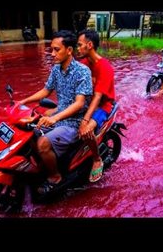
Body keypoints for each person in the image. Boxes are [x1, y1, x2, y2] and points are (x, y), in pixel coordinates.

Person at [19, 30, 92, 194]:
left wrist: (54, 117)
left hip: (74, 122)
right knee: (29, 133)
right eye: (51, 49)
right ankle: (46, 164)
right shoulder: (56, 69)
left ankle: (55, 177)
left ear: (69, 50)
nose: (52, 54)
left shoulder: (82, 71)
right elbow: (45, 91)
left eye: (56, 49)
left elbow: (80, 103)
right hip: (58, 117)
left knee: (43, 143)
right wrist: (22, 101)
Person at [76, 29, 115, 183]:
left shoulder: (105, 67)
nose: (77, 49)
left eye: (80, 45)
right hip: (86, 102)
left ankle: (97, 158)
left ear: (90, 45)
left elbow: (98, 97)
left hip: (102, 106)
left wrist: (85, 120)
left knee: (86, 131)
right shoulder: (84, 63)